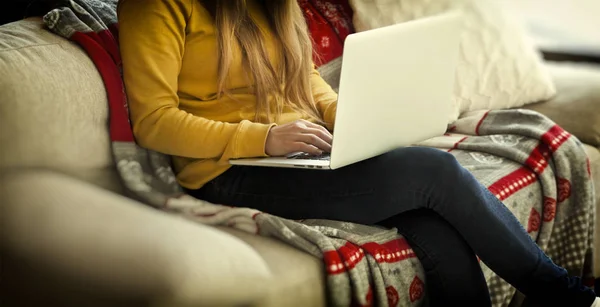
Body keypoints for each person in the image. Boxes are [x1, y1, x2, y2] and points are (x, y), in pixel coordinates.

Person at [117, 0, 598, 306]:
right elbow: (154, 122)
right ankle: (566, 297)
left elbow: (303, 80)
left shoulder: (276, 5)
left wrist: (347, 116)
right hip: (228, 168)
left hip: (298, 150)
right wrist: (261, 139)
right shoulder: (155, 7)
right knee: (436, 172)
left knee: (431, 221)